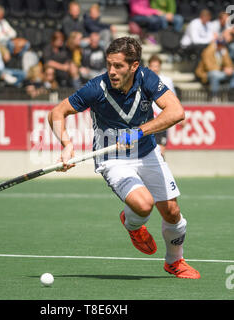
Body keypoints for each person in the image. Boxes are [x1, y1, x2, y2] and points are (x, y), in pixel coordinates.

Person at [48, 37, 200, 279]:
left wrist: (139, 132)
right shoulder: (96, 88)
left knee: (172, 211)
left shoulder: (147, 79)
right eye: (109, 65)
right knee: (143, 205)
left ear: (134, 66)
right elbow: (58, 112)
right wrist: (66, 145)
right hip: (113, 159)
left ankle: (174, 261)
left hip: (147, 152)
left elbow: (176, 112)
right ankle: (132, 224)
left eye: (118, 66)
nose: (112, 71)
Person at [148, 54, 176, 158]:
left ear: (160, 67)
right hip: (148, 121)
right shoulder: (144, 80)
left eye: (156, 66)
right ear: (149, 67)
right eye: (152, 66)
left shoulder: (166, 81)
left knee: (161, 151)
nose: (154, 68)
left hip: (161, 119)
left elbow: (173, 99)